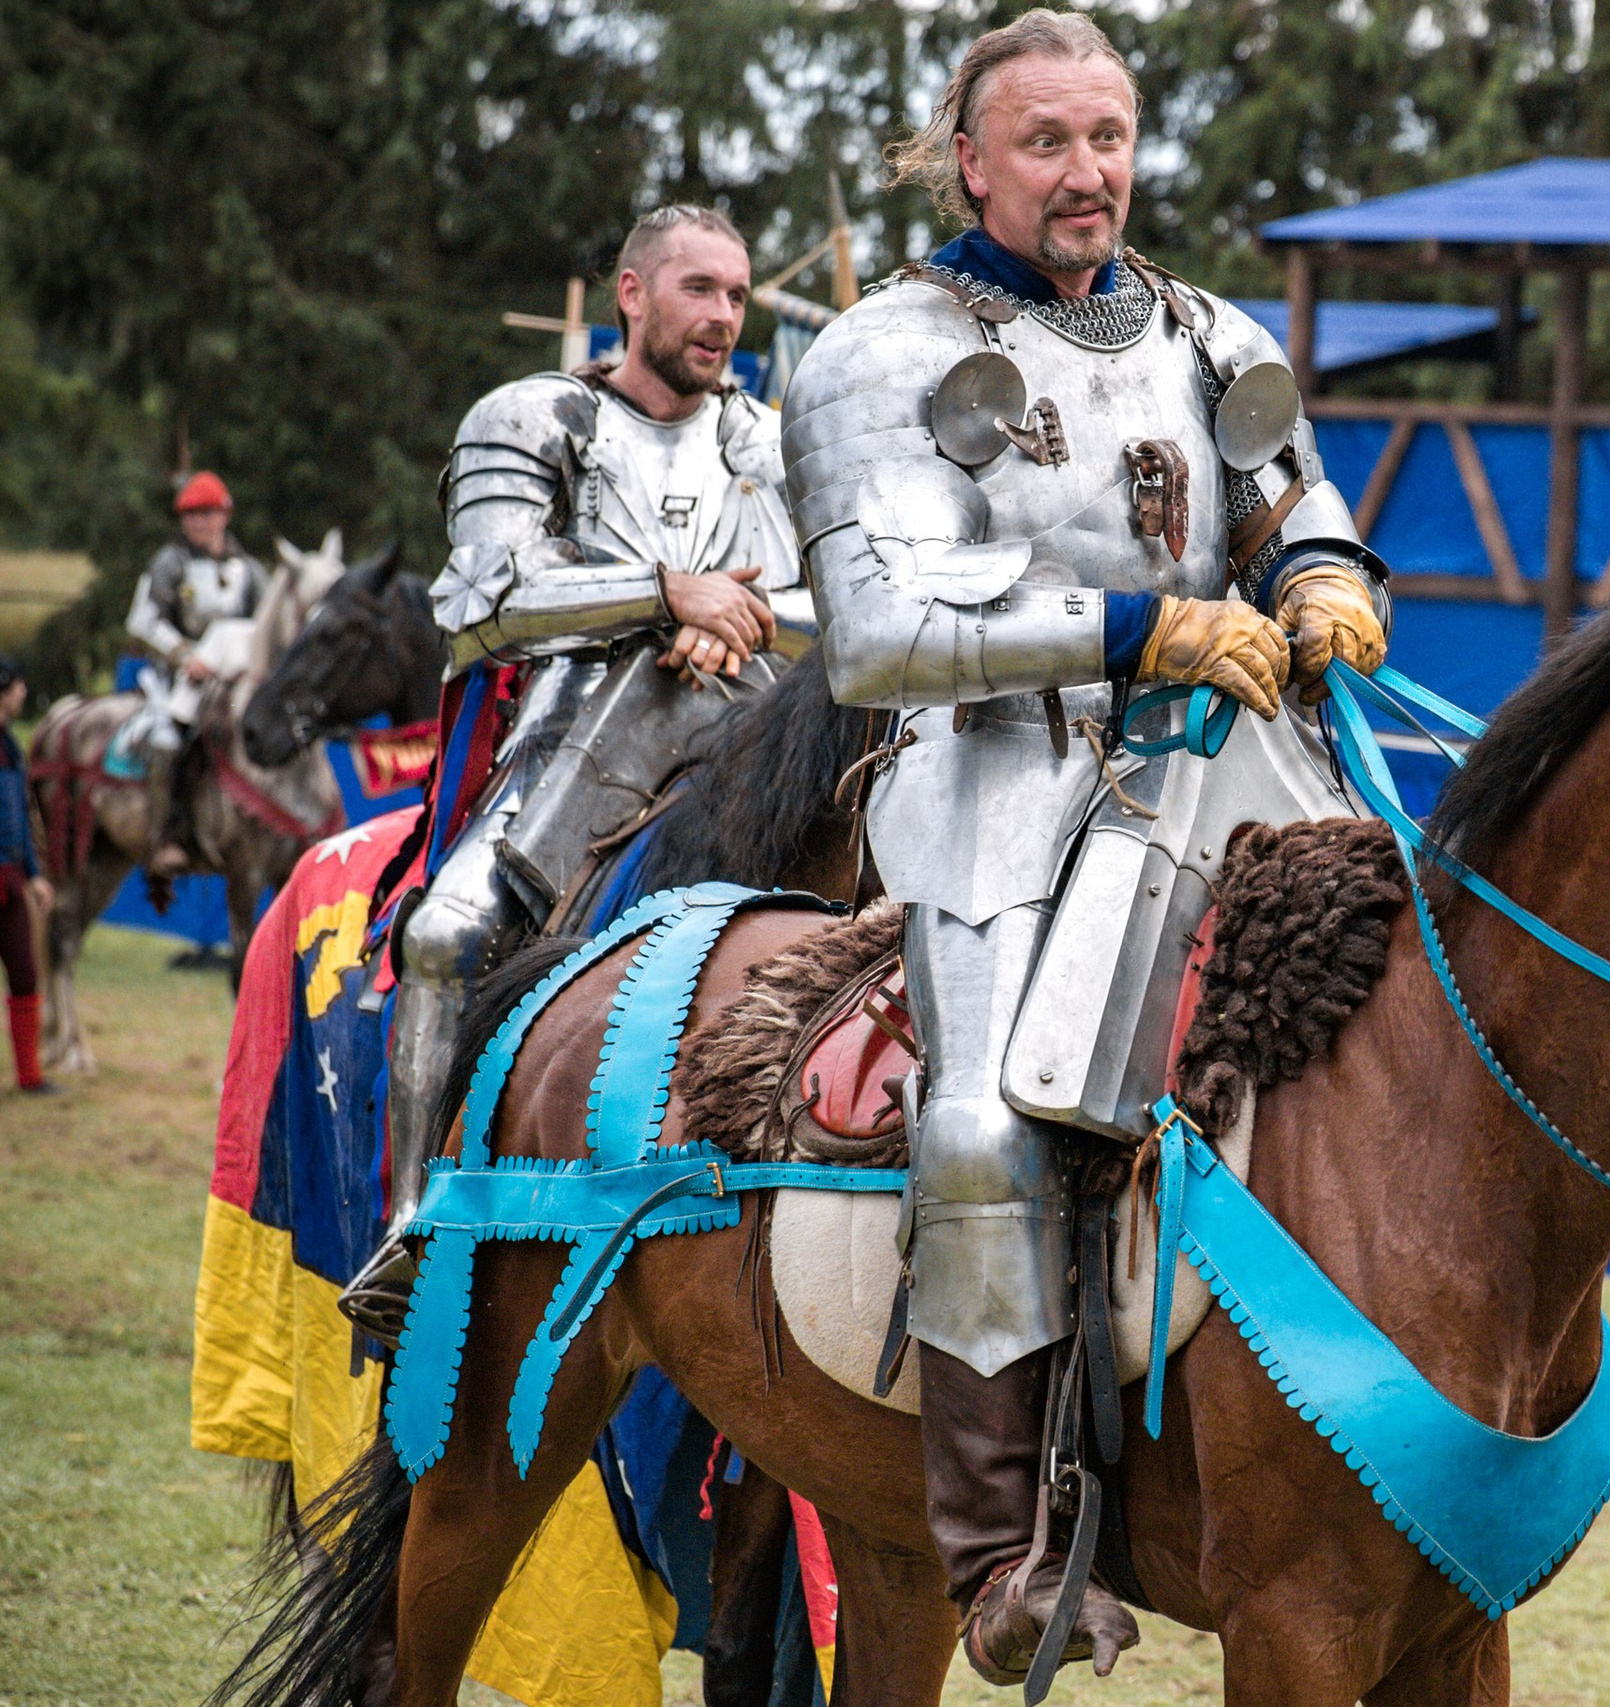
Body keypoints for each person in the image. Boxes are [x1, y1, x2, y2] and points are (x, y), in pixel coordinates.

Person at [785, 10, 1391, 1681]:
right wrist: (1140, 630)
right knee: (983, 1117)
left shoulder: (1207, 331)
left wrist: (1326, 574)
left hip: (1242, 764)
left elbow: (1290, 498)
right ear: (969, 158)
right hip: (993, 787)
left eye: (1109, 137)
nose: (1087, 174)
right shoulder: (873, 354)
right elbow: (879, 629)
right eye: (1046, 142)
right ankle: (998, 1547)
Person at [339, 205, 811, 1331]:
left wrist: (732, 616)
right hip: (578, 722)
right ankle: (413, 1228)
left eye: (737, 297)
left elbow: (838, 597)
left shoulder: (768, 438)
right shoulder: (535, 416)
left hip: (760, 723)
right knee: (450, 935)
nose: (722, 319)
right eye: (699, 290)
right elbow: (484, 598)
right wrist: (666, 595)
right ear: (632, 294)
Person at [125, 471, 268, 877]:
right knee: (168, 740)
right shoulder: (171, 563)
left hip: (235, 679)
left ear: (225, 515)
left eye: (206, 514)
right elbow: (143, 620)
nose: (199, 523)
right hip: (180, 678)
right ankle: (168, 834)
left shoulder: (250, 569)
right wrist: (184, 655)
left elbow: (265, 621)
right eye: (190, 516)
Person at [0, 657, 56, 1094]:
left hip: (12, 875)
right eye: (18, 686)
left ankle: (29, 1075)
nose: (23, 693)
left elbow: (19, 816)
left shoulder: (11, 746)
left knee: (24, 973)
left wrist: (35, 874)